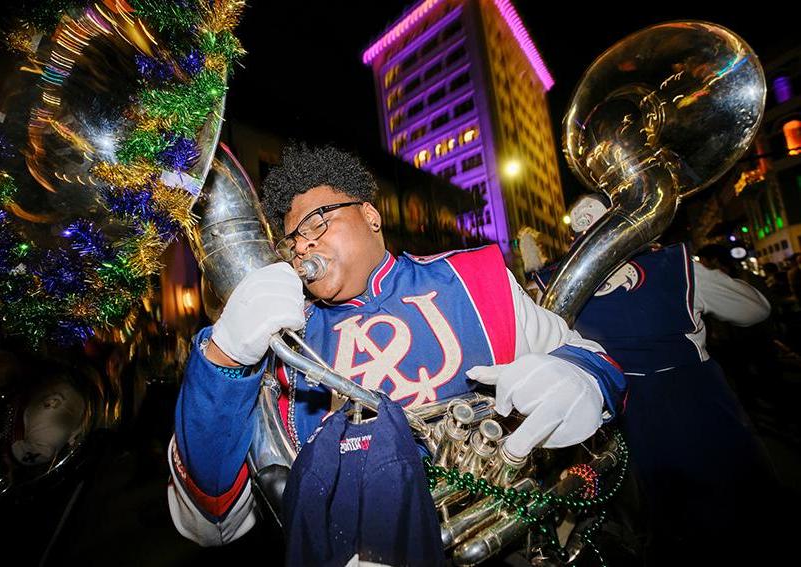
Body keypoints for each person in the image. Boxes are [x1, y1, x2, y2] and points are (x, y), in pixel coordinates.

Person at [166, 144, 626, 560]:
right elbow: (211, 521)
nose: (302, 245)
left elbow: (597, 363)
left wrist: (579, 379)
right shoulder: (279, 342)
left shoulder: (476, 278)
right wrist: (223, 357)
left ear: (370, 215)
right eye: (291, 240)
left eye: (317, 221)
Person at [533, 194, 781, 565]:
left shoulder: (552, 283)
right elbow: (756, 310)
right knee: (742, 521)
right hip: (700, 411)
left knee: (661, 528)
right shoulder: (675, 268)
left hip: (623, 418)